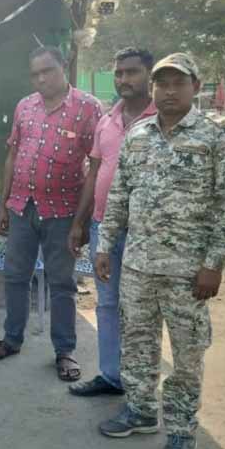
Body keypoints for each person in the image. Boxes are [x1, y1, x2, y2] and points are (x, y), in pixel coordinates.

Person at [95, 53, 225, 449]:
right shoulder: (139, 134)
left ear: (196, 87)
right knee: (138, 345)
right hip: (139, 266)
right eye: (162, 84)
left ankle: (181, 430)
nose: (169, 91)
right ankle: (141, 411)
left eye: (178, 83)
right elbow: (120, 195)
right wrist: (105, 246)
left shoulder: (220, 136)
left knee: (186, 356)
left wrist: (215, 263)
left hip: (188, 273)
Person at [0, 46, 102, 381]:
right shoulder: (25, 105)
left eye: (48, 70)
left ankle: (65, 351)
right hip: (22, 207)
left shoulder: (88, 107)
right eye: (35, 73)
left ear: (64, 66)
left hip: (62, 212)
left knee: (61, 282)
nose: (41, 78)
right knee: (15, 276)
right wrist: (4, 204)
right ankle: (12, 339)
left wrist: (81, 221)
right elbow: (12, 156)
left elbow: (95, 166)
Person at [67, 48, 157, 397]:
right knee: (106, 304)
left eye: (132, 72)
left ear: (149, 75)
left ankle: (140, 386)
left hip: (144, 233)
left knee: (141, 309)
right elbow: (93, 174)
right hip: (104, 228)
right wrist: (80, 223)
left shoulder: (161, 119)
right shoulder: (107, 119)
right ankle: (111, 375)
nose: (124, 80)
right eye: (119, 73)